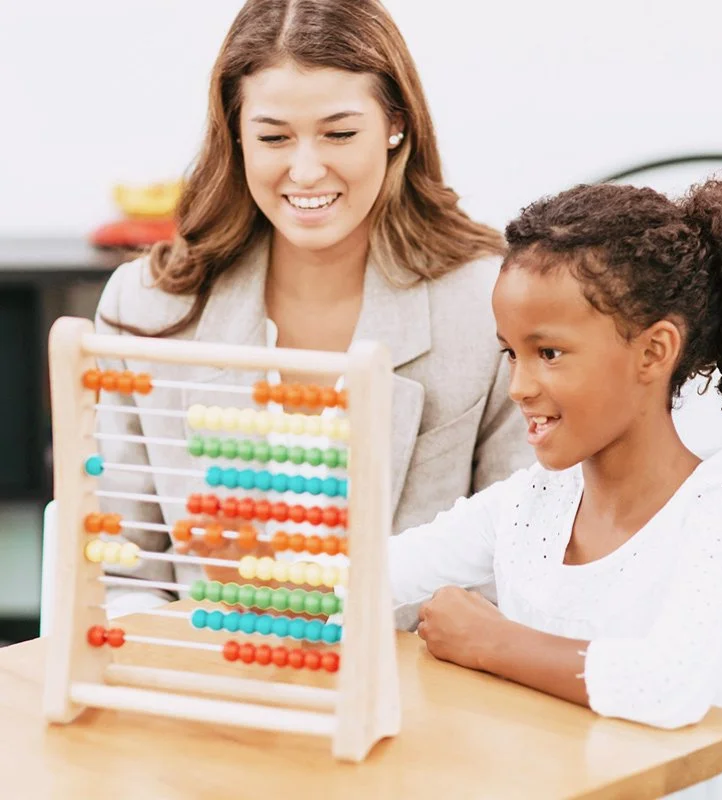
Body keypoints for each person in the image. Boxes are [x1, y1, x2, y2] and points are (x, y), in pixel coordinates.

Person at [92, 0, 531, 619]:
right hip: (208, 683)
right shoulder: (148, 307)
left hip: (420, 692)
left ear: (396, 124)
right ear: (236, 135)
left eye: (340, 133)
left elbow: (521, 567)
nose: (304, 170)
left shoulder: (484, 306)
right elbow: (121, 568)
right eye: (273, 137)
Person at [389, 179, 722, 797]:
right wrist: (252, 561)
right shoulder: (527, 504)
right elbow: (372, 573)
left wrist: (492, 641)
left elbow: (665, 687)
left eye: (549, 353)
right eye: (511, 354)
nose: (518, 387)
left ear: (654, 351)